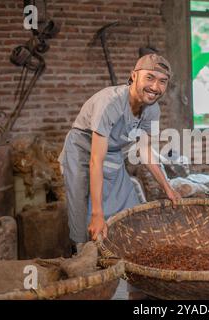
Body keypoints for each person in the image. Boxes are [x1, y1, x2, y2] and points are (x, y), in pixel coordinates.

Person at [59, 54, 181, 252]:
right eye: (149, 78)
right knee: (84, 210)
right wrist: (97, 215)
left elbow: (144, 150)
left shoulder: (152, 110)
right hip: (83, 152)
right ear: (134, 76)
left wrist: (167, 187)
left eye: (162, 81)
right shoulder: (111, 102)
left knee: (126, 204)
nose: (155, 87)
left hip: (113, 152)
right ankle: (84, 254)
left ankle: (122, 252)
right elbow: (96, 161)